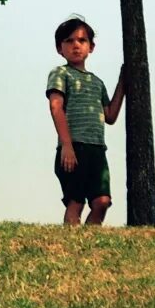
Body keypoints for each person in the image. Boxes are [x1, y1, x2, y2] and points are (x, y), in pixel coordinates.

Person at [45, 15, 125, 226]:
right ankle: (72, 247)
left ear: (91, 46)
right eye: (69, 41)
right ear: (59, 48)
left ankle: (88, 245)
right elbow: (56, 107)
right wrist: (67, 146)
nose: (76, 46)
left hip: (97, 149)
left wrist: (122, 84)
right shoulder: (60, 74)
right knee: (76, 202)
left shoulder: (97, 82)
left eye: (81, 40)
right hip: (73, 148)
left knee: (102, 201)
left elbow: (110, 116)